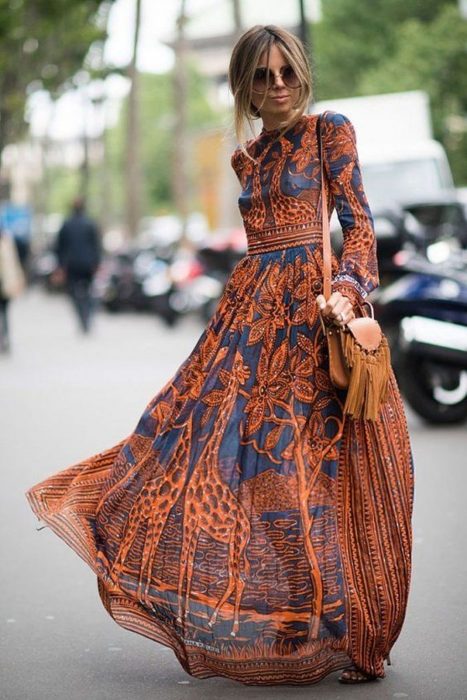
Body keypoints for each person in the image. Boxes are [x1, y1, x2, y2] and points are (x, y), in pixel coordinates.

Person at [26, 25, 414, 686]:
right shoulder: (246, 158)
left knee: (326, 477)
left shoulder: (330, 133)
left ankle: (357, 636)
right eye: (262, 77)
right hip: (247, 327)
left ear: (302, 73)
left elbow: (359, 223)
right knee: (205, 450)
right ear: (243, 88)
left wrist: (348, 292)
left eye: (286, 71)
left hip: (316, 326)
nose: (279, 86)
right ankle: (295, 620)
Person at [56, 196, 101, 333]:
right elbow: (97, 246)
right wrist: (97, 263)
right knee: (89, 292)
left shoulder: (66, 224)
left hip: (71, 265)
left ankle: (82, 317)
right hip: (88, 264)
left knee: (74, 293)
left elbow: (59, 247)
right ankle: (87, 315)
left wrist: (61, 266)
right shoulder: (91, 224)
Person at [0, 226, 26, 353]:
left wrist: (18, 278)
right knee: (4, 313)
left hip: (5, 283)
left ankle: (5, 337)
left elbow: (14, 263)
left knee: (4, 312)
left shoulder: (7, 242)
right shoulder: (7, 242)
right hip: (5, 281)